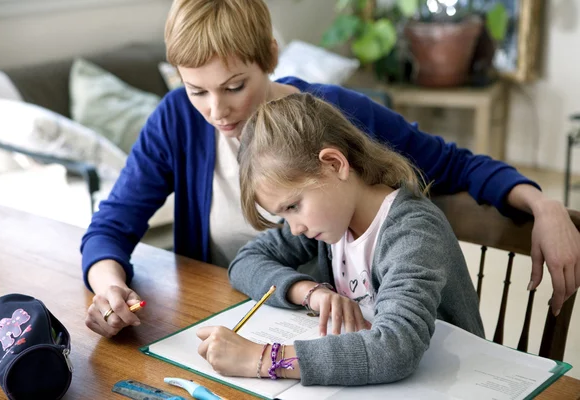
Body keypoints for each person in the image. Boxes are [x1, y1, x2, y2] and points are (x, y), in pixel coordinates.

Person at [82, 0, 580, 338]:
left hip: (336, 333)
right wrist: (109, 289)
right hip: (236, 315)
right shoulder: (174, 120)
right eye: (197, 91)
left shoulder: (332, 115)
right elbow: (111, 226)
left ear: (269, 58)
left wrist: (542, 204)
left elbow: (451, 165)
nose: (217, 110)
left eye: (235, 86)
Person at [195, 93, 484, 385]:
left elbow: (395, 348)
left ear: (334, 164)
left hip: (455, 382)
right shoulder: (332, 222)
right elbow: (245, 261)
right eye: (284, 214)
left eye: (293, 206)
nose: (294, 227)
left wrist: (263, 358)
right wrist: (310, 292)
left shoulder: (413, 233)